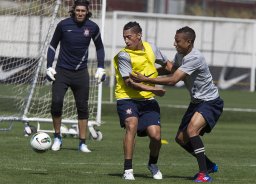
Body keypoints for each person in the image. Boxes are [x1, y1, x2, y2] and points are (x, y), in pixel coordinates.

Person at [130, 26, 224, 183]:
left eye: (178, 41)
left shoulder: (195, 57)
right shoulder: (181, 54)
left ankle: (203, 174)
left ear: (189, 42)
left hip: (210, 101)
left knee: (192, 130)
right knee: (181, 139)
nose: (174, 44)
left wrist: (145, 79)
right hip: (196, 102)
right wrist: (150, 72)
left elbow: (174, 79)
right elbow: (172, 69)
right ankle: (208, 164)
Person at [46, 0, 106, 153]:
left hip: (81, 73)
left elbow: (99, 47)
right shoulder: (63, 25)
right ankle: (57, 137)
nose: (80, 13)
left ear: (87, 12)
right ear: (73, 11)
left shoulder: (93, 27)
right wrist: (48, 66)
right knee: (56, 103)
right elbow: (52, 45)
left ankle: (82, 143)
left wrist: (100, 67)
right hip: (62, 72)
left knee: (82, 107)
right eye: (78, 10)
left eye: (83, 11)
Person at [113, 21, 169, 180]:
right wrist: (154, 89)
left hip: (147, 101)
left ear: (139, 36)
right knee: (131, 124)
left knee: (156, 136)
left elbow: (168, 65)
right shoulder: (123, 55)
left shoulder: (151, 48)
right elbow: (129, 83)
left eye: (129, 37)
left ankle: (152, 164)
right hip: (127, 98)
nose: (126, 41)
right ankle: (128, 170)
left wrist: (181, 73)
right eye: (124, 37)